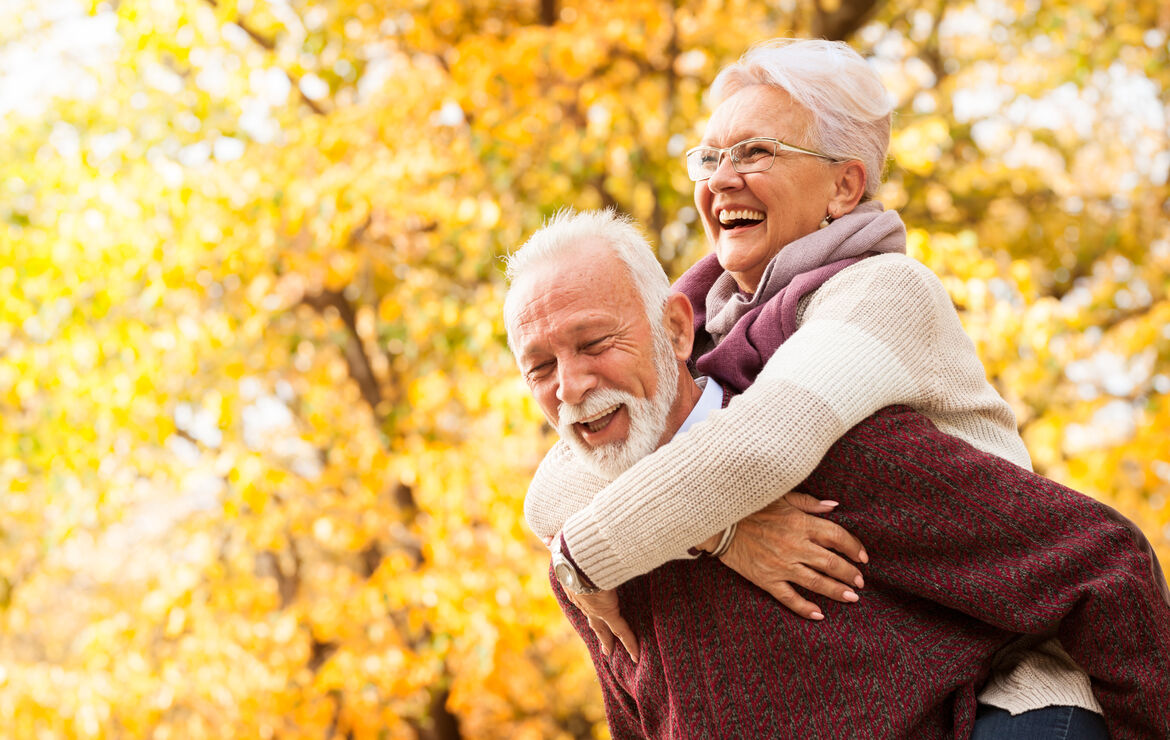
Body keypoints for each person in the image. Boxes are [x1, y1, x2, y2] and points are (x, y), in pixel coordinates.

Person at [515, 39, 1168, 736]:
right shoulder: (700, 322)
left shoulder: (882, 291)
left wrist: (583, 557)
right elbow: (560, 482)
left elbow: (760, 448)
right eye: (709, 159)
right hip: (884, 670)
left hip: (994, 666)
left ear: (844, 187)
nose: (721, 180)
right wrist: (723, 532)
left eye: (755, 153)